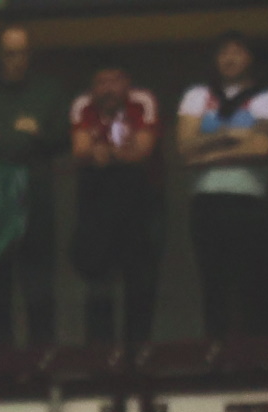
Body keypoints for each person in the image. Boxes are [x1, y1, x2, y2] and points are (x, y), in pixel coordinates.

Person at [0, 27, 69, 349]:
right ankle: (2, 362)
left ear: (30, 55)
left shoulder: (48, 91)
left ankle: (42, 359)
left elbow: (64, 138)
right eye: (10, 53)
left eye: (21, 53)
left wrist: (40, 135)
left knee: (39, 284)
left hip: (35, 195)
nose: (16, 60)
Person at [176, 36, 268, 338]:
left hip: (248, 200)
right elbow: (185, 148)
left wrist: (209, 151)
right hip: (206, 200)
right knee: (213, 281)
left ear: (250, 58)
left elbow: (261, 147)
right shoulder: (197, 95)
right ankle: (216, 349)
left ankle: (251, 350)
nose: (229, 58)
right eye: (223, 52)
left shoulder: (265, 97)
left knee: (249, 280)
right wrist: (231, 136)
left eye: (237, 52)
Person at [68, 63, 161, 347]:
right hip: (97, 205)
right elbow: (82, 150)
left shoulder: (142, 101)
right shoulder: (83, 105)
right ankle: (100, 355)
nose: (108, 88)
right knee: (98, 283)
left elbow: (142, 150)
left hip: (138, 203)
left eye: (115, 81)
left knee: (140, 282)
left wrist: (105, 151)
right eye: (101, 82)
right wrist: (117, 151)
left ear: (127, 82)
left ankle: (138, 354)